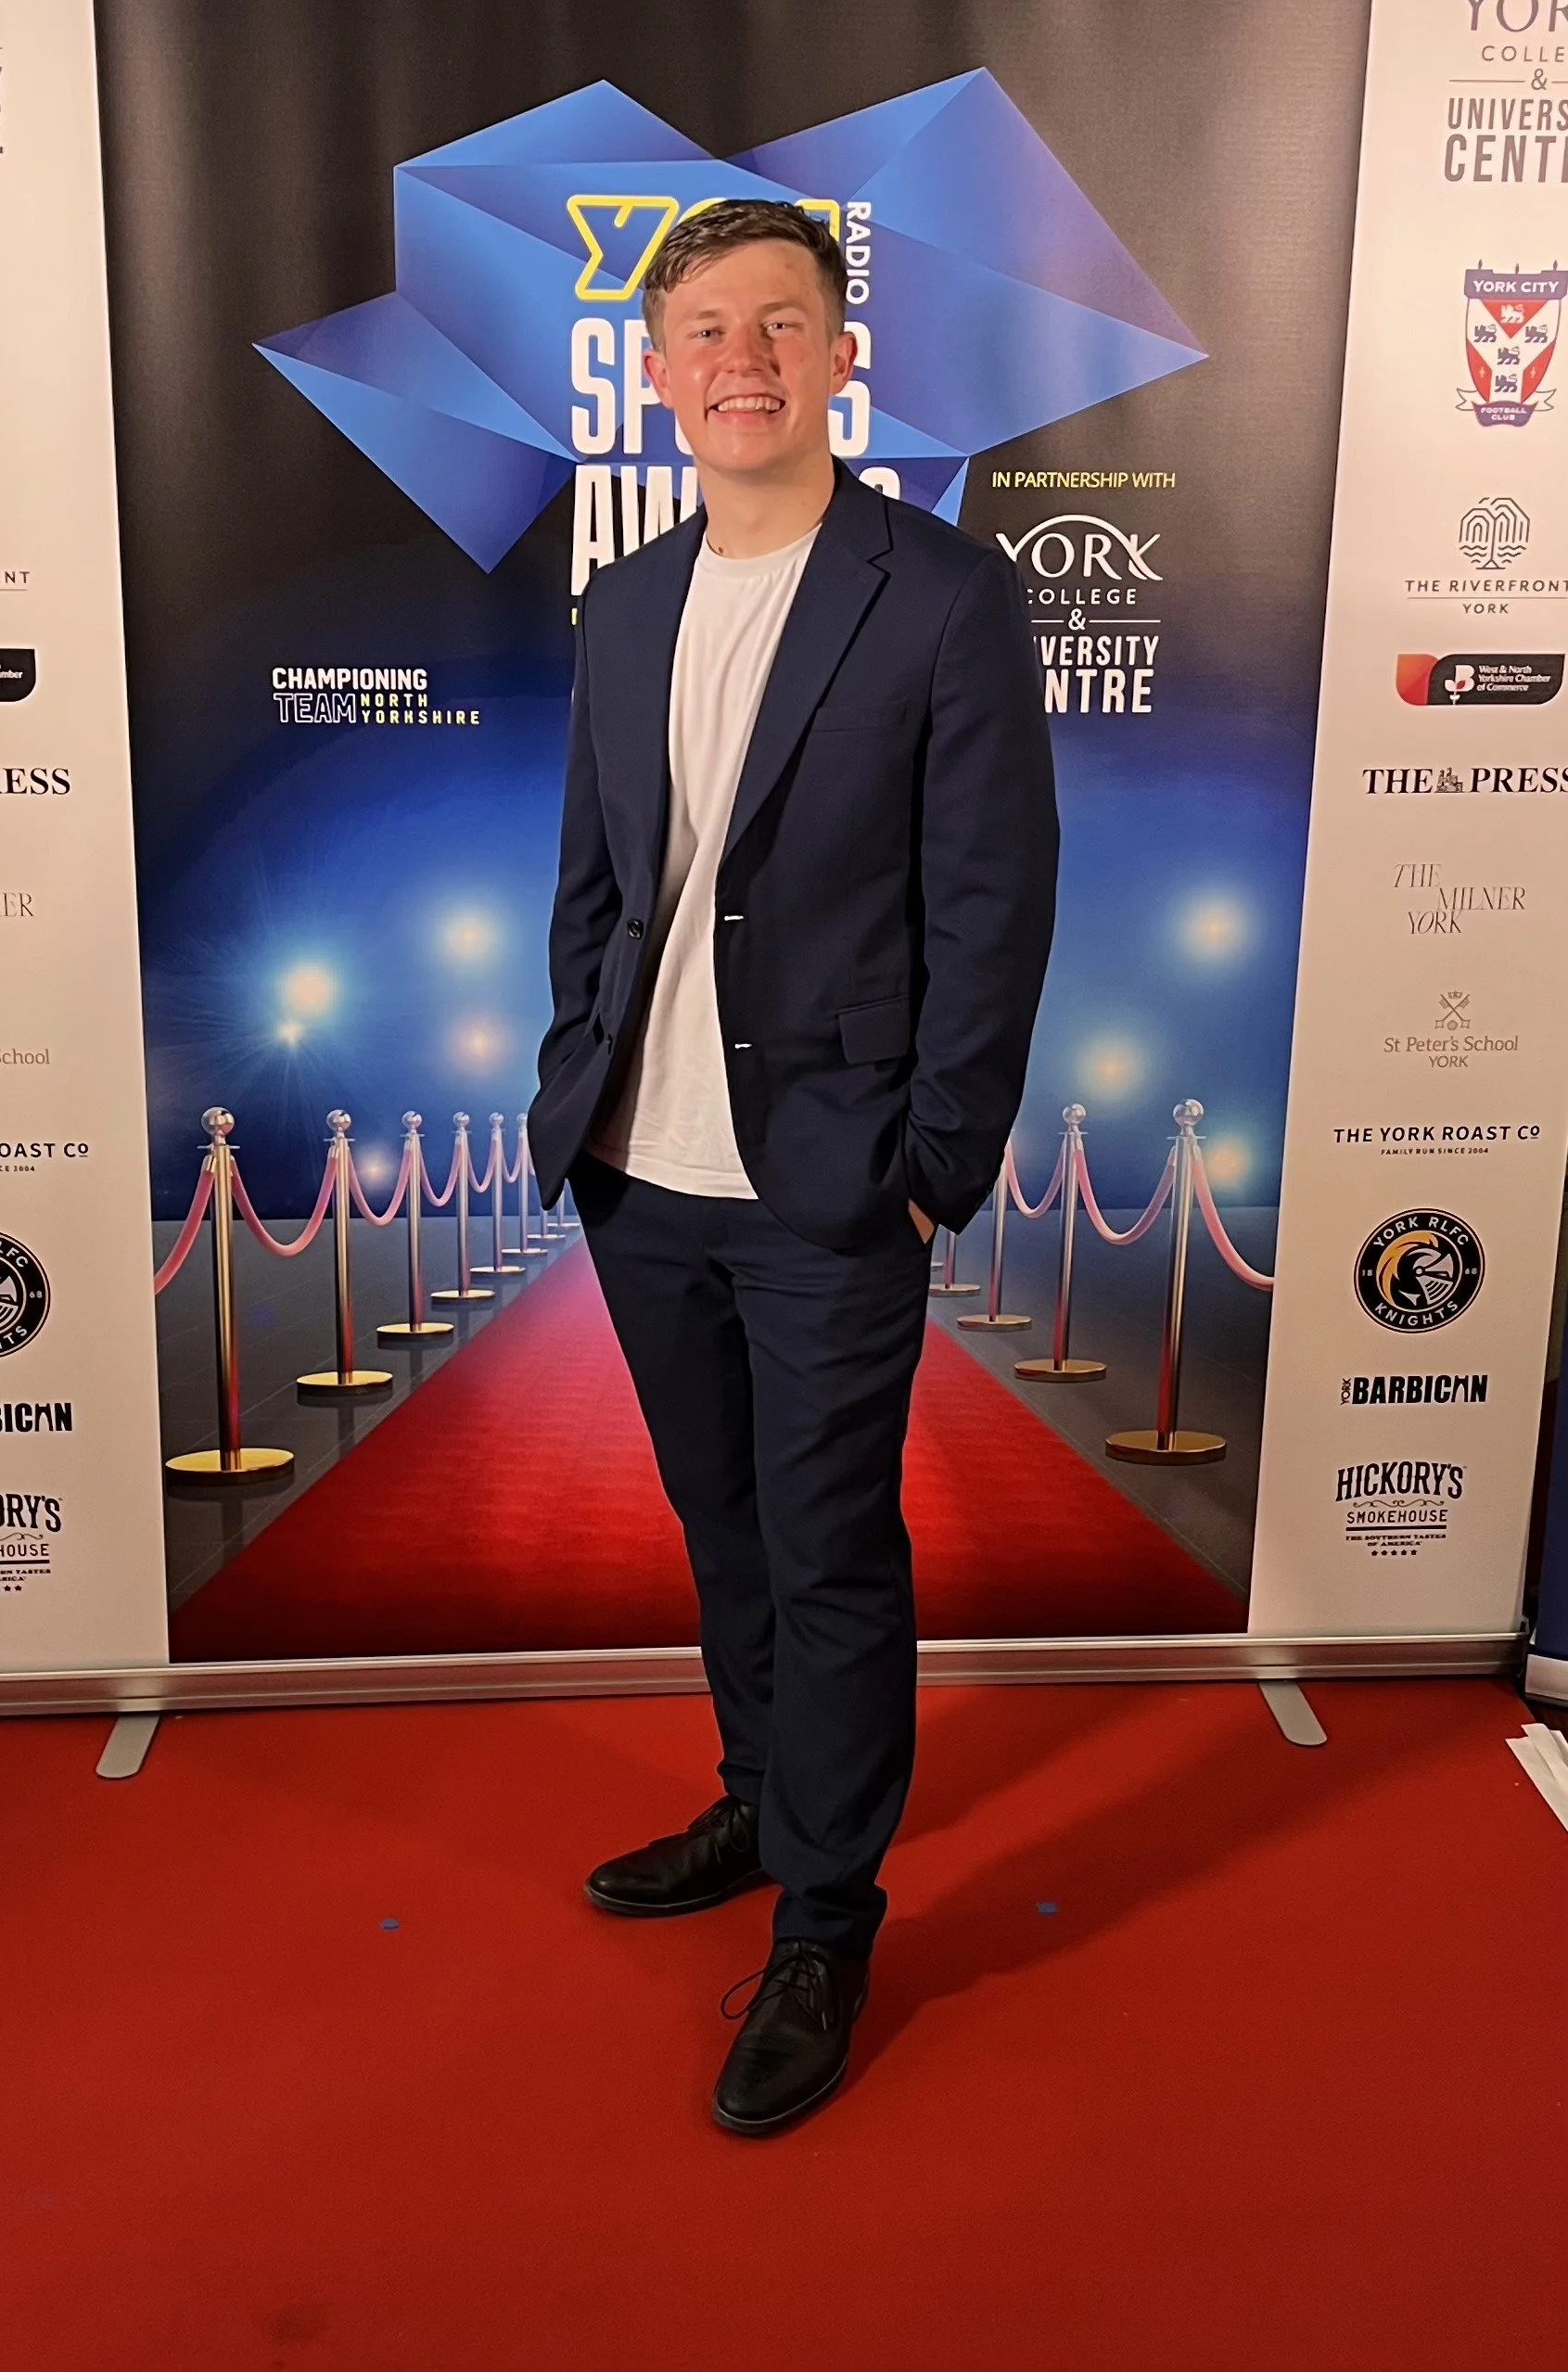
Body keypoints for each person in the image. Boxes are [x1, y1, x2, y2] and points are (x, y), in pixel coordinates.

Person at [528, 199, 1057, 2135]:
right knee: (724, 1525)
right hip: (636, 1170)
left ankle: (828, 1917)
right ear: (656, 368)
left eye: (778, 320)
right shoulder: (627, 603)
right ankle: (763, 1800)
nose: (738, 354)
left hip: (835, 1183)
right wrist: (565, 1066)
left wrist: (933, 1161)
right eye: (701, 327)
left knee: (830, 1546)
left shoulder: (939, 594)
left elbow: (993, 904)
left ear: (842, 355)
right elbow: (593, 875)